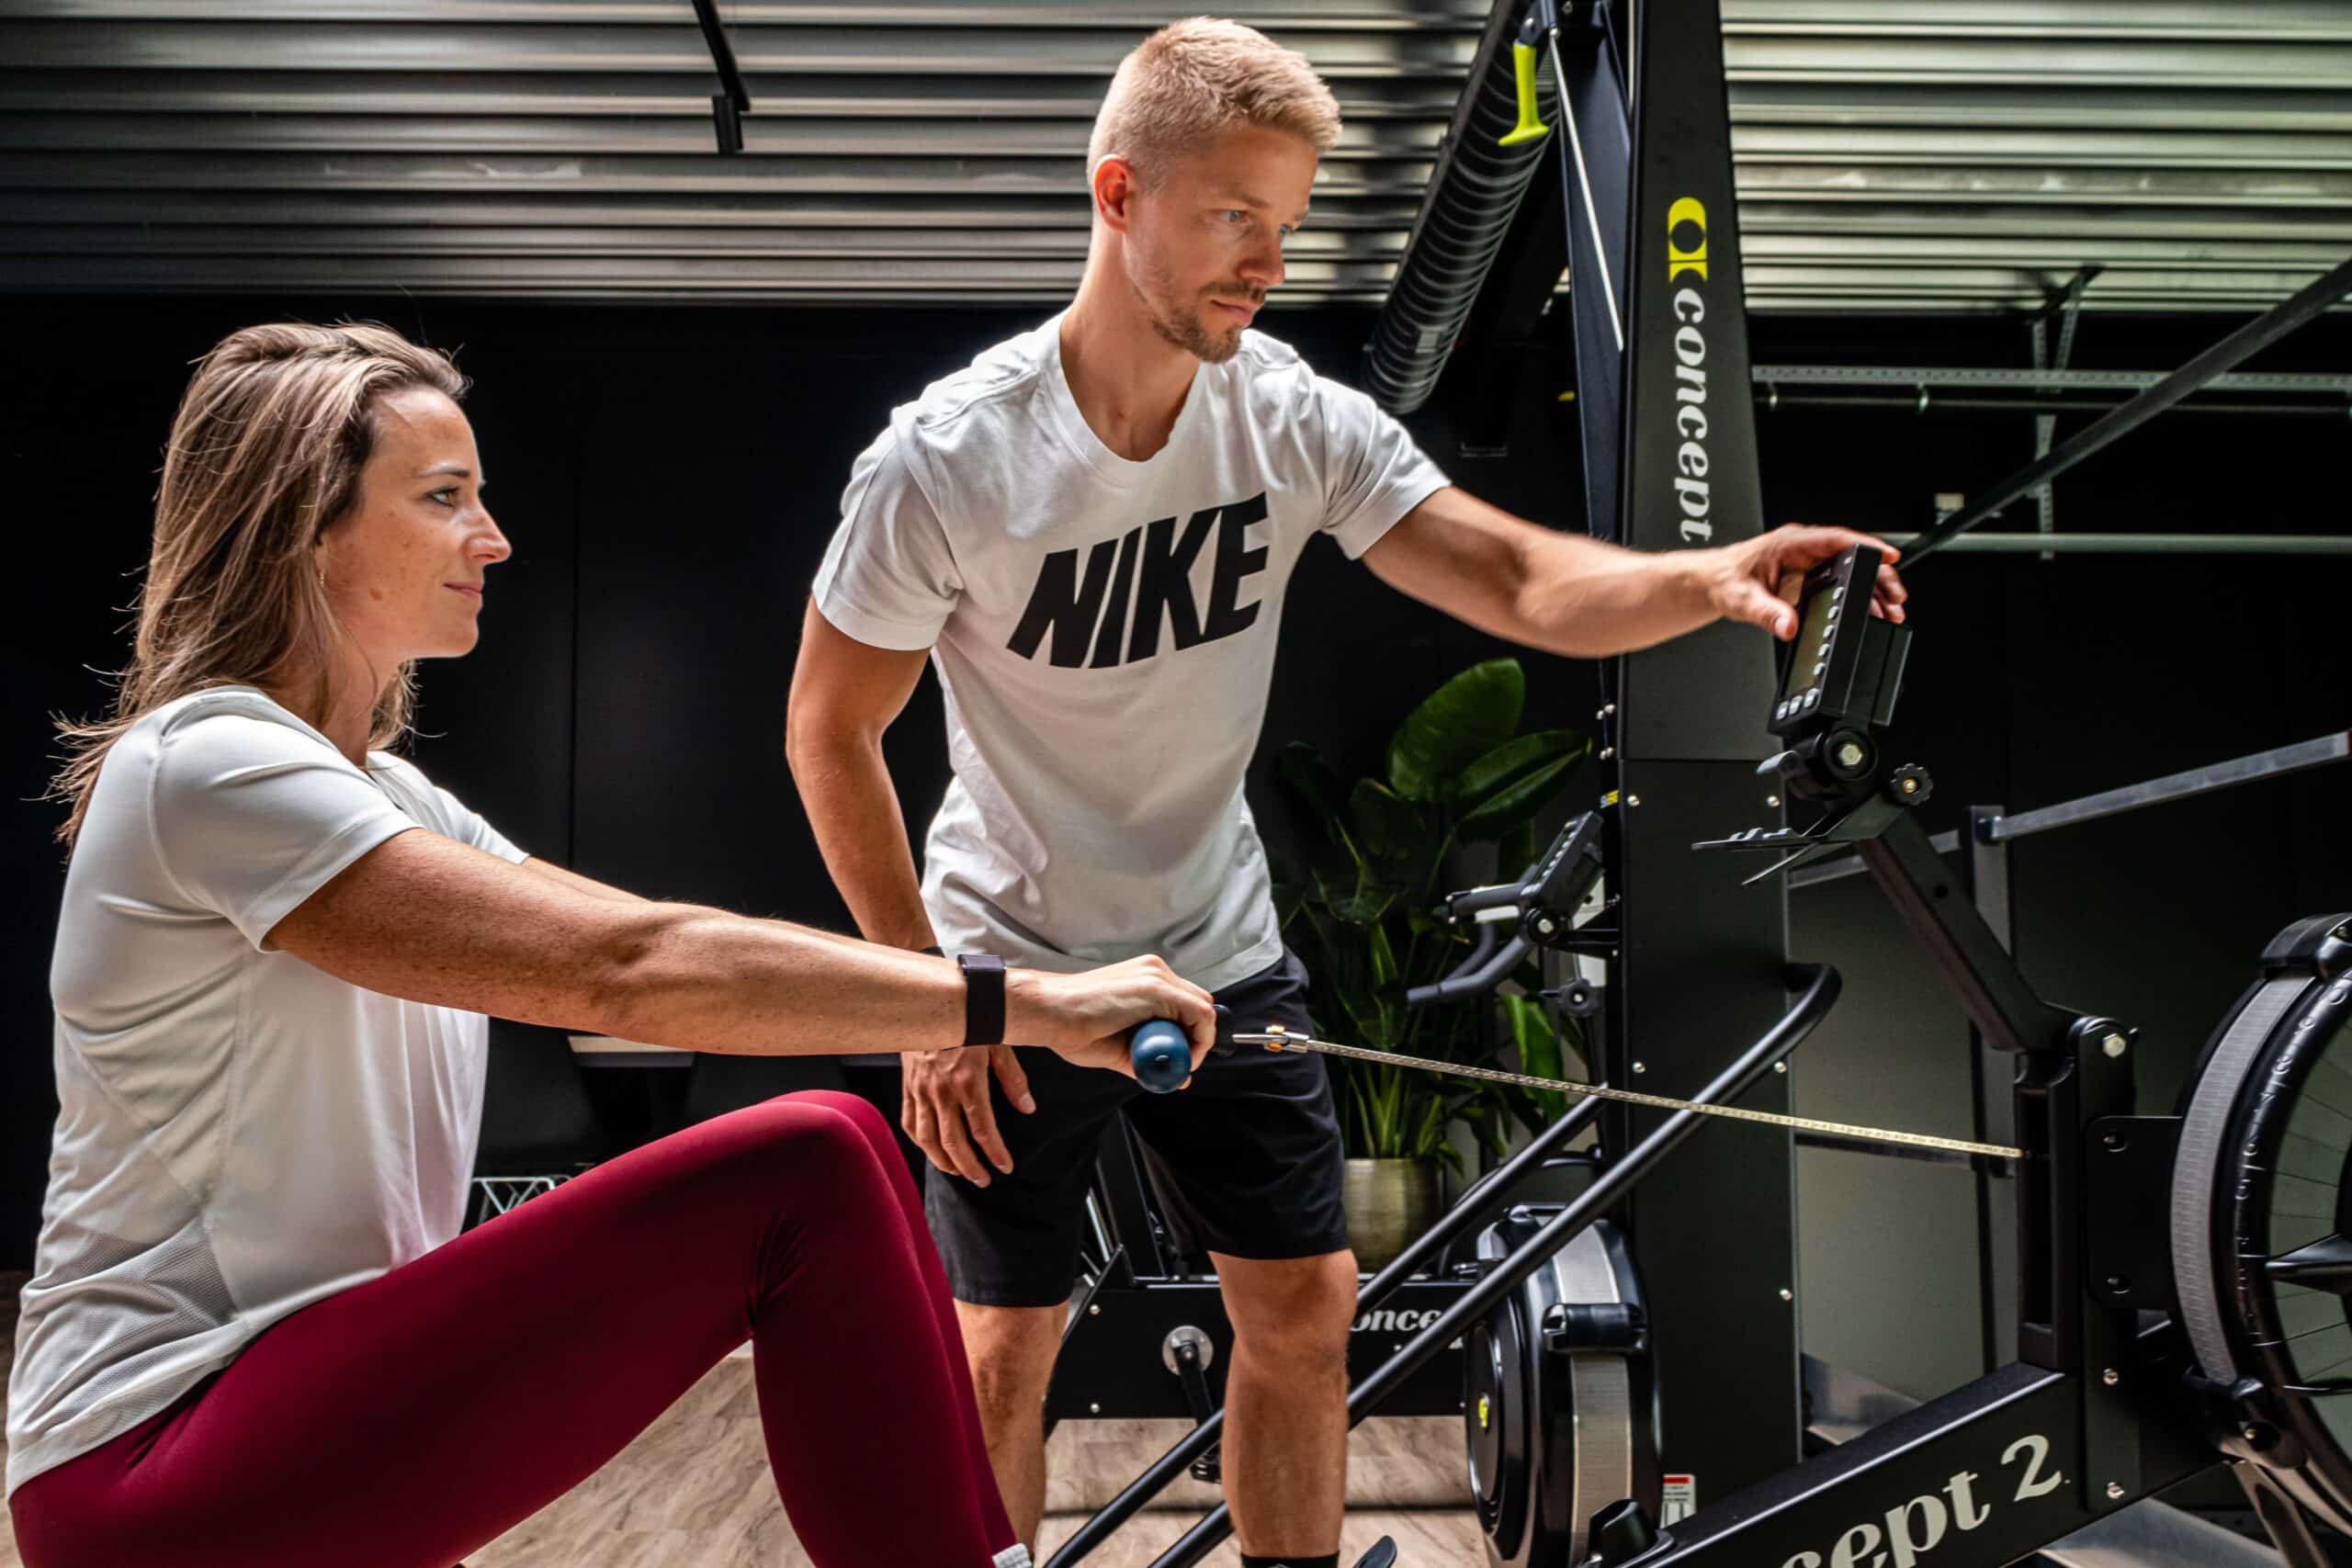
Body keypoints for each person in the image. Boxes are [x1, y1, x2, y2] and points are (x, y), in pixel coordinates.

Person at [786, 18, 1910, 1567]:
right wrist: (934, 1003)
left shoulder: (1287, 417)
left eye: (1288, 224)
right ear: (1119, 194)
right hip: (1011, 959)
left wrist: (1704, 576)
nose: (1268, 261)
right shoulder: (949, 460)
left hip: (1216, 948)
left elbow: (1511, 573)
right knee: (1005, 1346)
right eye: (1233, 216)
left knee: (1306, 1309)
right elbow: (827, 731)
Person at [5, 321, 1219, 1568]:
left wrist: (977, 1004)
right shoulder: (208, 765)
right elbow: (631, 969)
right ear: (299, 528)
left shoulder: (386, 799)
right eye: (443, 499)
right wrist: (1027, 1003)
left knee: (839, 1145)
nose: (494, 538)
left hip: (314, 1412)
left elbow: (644, 957)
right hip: (153, 1459)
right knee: (807, 1162)